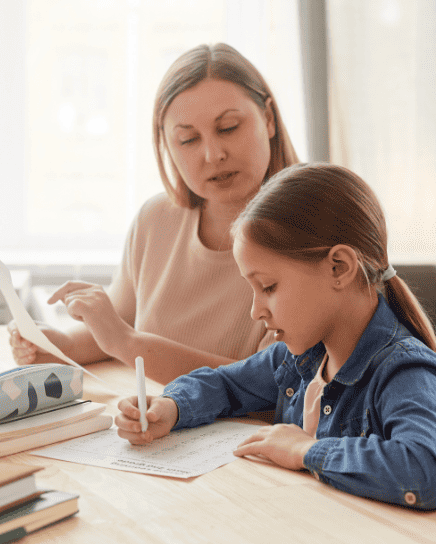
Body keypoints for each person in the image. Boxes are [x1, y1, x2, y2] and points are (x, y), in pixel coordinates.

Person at [116, 163, 436, 509]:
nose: (256, 311)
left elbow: (423, 468)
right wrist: (172, 407)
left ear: (338, 268)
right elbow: (226, 385)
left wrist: (305, 450)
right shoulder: (297, 358)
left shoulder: (403, 372)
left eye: (268, 286)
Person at [10, 43, 299, 384]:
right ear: (166, 145)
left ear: (268, 118)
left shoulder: (307, 233)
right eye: (188, 139)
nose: (212, 154)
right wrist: (62, 344)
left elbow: (271, 386)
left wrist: (125, 342)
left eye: (228, 128)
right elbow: (119, 327)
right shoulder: (157, 220)